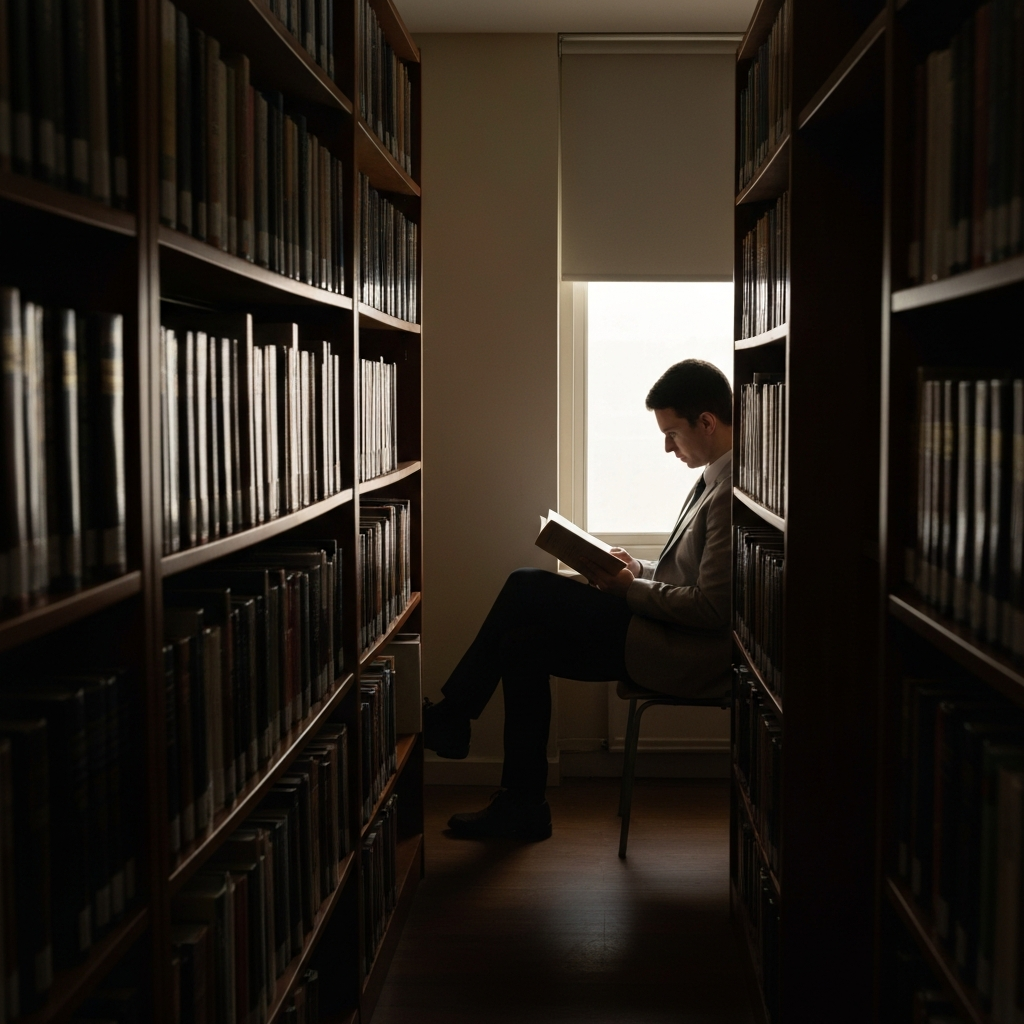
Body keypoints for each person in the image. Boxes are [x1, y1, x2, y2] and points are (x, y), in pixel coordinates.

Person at [423, 358, 734, 841]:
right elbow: (688, 578)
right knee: (521, 646)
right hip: (660, 630)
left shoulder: (729, 494)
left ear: (707, 422)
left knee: (527, 584)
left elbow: (713, 609)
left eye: (672, 433)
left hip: (683, 651)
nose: (667, 446)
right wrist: (639, 569)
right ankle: (522, 805)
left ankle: (454, 715)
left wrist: (631, 587)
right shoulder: (712, 480)